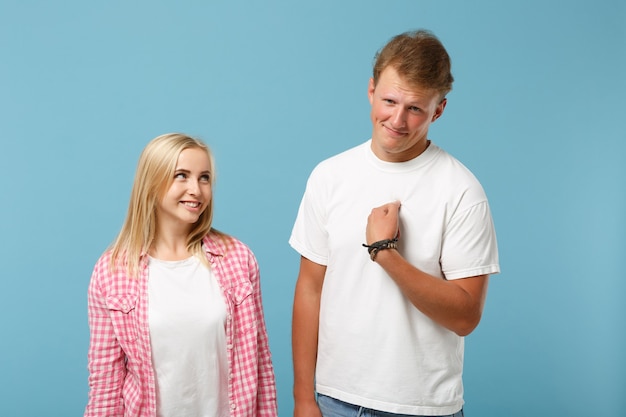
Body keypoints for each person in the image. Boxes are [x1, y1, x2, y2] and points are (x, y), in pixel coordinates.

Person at [289, 30, 500, 417]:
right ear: (371, 91)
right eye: (389, 101)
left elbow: (466, 316)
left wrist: (385, 255)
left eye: (415, 109)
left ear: (439, 110)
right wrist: (304, 397)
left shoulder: (461, 191)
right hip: (333, 399)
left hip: (419, 407)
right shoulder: (329, 176)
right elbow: (310, 290)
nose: (397, 120)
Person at [85, 133, 278, 417]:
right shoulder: (112, 271)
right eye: (181, 175)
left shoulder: (237, 258)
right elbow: (106, 382)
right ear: (152, 183)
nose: (196, 190)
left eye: (204, 178)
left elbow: (260, 364)